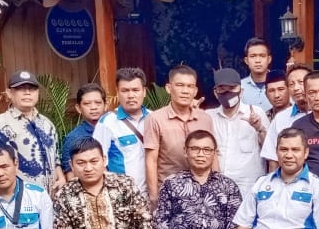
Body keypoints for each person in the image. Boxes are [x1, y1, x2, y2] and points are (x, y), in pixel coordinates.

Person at [144, 65, 215, 202]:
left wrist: (216, 186)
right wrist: (154, 196)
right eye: (180, 85)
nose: (185, 91)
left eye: (190, 86)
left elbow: (213, 155)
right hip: (169, 193)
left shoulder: (205, 119)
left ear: (195, 91)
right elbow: (151, 160)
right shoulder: (155, 119)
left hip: (203, 193)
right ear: (168, 88)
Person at [0, 69, 64, 192]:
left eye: (32, 89)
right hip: (19, 195)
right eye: (21, 88)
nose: (27, 93)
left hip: (50, 196)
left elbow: (55, 158)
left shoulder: (47, 124)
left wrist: (61, 177)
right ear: (9, 93)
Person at [207, 67, 267, 200]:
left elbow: (270, 149)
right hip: (217, 190)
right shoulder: (209, 117)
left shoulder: (256, 113)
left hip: (249, 190)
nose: (227, 93)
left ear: (241, 91)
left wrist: (259, 128)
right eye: (222, 89)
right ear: (215, 93)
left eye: (232, 88)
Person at [94, 67, 151, 195]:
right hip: (123, 196)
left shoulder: (154, 118)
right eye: (125, 90)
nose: (131, 95)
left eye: (135, 90)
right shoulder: (107, 123)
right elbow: (97, 162)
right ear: (118, 92)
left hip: (154, 194)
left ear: (144, 92)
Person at [261, 63, 311, 170]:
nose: (296, 88)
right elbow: (273, 159)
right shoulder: (280, 118)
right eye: (291, 84)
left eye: (301, 82)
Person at [61, 83, 108, 179]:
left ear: (105, 106)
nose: (93, 107)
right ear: (78, 108)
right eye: (87, 104)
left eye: (98, 103)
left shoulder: (115, 131)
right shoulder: (73, 138)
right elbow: (71, 175)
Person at [240, 37, 272, 108]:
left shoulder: (280, 85)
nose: (257, 60)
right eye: (253, 56)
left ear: (269, 59)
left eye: (262, 56)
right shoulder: (239, 87)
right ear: (246, 60)